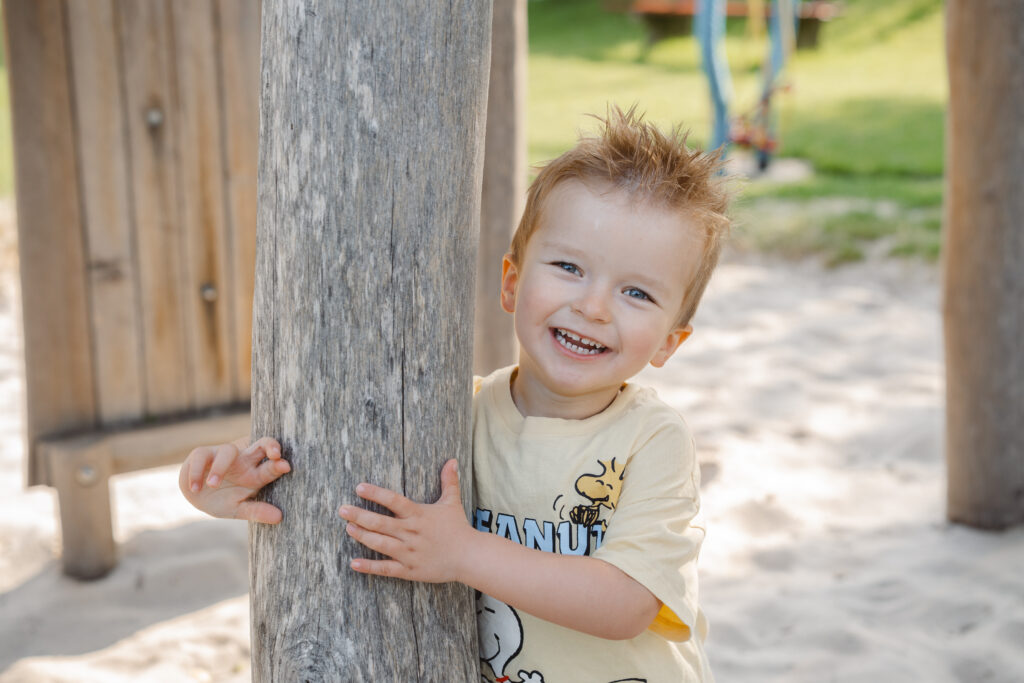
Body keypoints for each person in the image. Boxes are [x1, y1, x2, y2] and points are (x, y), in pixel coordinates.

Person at [180, 105, 731, 682]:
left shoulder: (652, 440)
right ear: (512, 282)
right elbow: (338, 475)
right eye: (569, 266)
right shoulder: (447, 409)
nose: (593, 307)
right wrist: (233, 477)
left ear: (670, 342)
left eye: (637, 293)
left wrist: (462, 552)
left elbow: (625, 605)